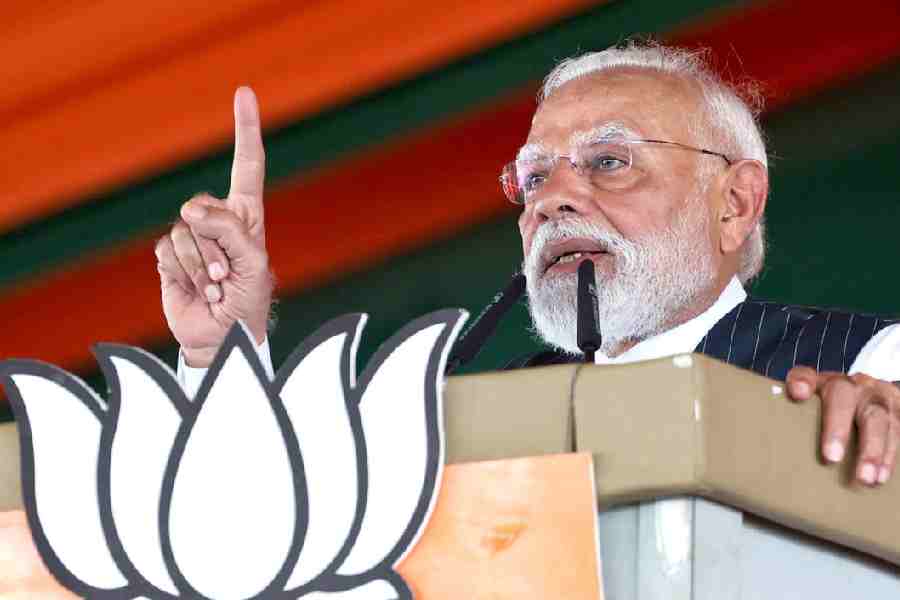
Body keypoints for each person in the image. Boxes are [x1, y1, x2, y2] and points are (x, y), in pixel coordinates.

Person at [155, 43, 899, 492]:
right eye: (535, 178)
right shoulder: (468, 420)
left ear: (735, 202)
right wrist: (218, 351)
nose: (553, 202)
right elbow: (284, 538)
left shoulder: (869, 364)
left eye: (608, 162)